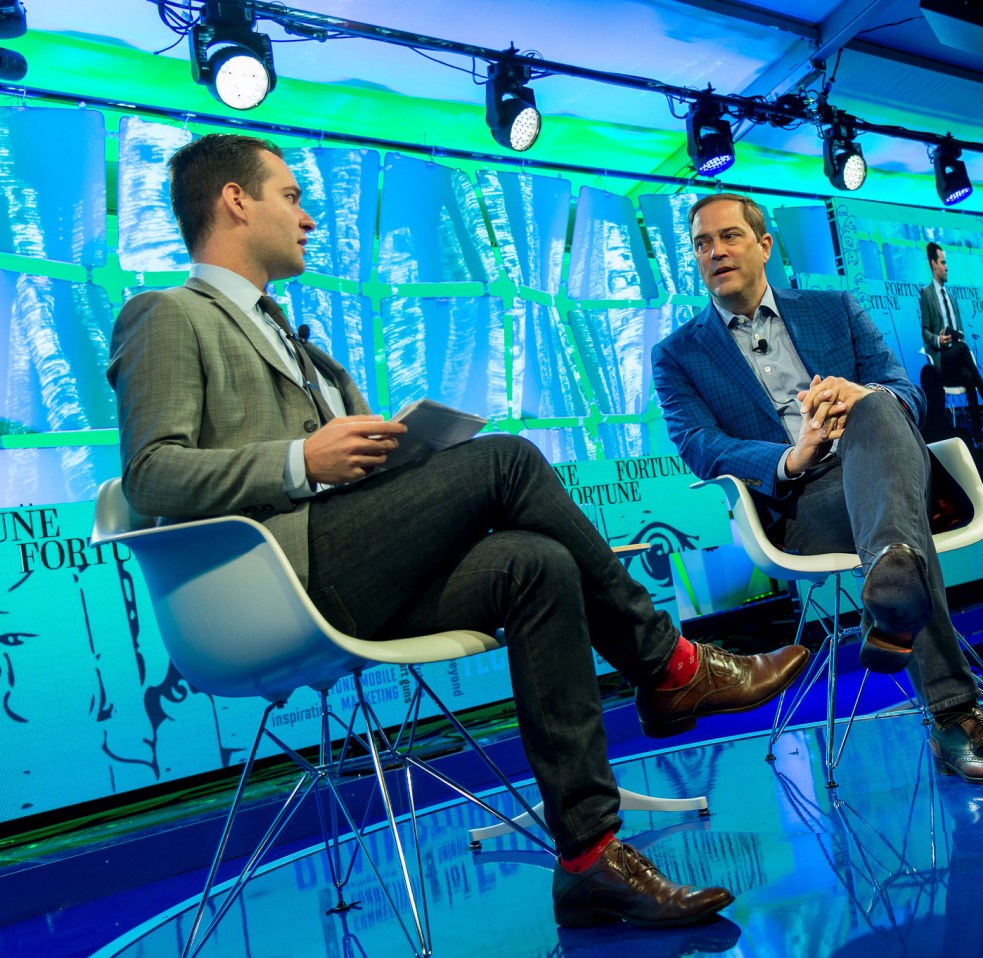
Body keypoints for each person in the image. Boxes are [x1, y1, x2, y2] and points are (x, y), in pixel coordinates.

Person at [107, 135, 811, 929]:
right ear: (235, 201)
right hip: (277, 586)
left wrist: (393, 455)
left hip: (356, 565)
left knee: (538, 564)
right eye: (292, 197)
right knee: (506, 459)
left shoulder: (304, 346)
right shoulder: (164, 315)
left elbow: (349, 481)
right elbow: (151, 475)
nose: (308, 219)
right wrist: (303, 459)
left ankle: (588, 857)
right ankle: (672, 664)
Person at [651, 192, 983, 785]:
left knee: (878, 404)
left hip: (884, 468)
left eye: (729, 236)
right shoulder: (678, 355)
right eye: (702, 244)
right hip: (801, 502)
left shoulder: (833, 307)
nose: (715, 252)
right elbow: (699, 444)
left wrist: (861, 399)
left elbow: (906, 394)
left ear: (764, 245)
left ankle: (895, 583)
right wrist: (793, 455)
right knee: (899, 534)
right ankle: (951, 707)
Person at [920, 241, 983, 447]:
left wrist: (958, 337)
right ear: (933, 264)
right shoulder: (926, 294)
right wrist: (938, 339)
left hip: (957, 358)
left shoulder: (951, 297)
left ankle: (978, 435)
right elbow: (925, 331)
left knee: (968, 377)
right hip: (942, 359)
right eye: (943, 263)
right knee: (964, 350)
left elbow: (959, 330)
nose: (946, 267)